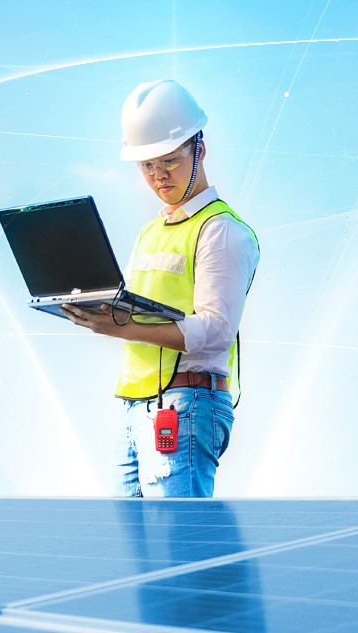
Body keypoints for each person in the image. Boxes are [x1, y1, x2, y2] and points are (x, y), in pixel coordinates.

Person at [62, 79, 259, 498]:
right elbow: (135, 309)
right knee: (137, 551)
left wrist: (120, 329)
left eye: (168, 160)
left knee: (181, 548)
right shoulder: (151, 232)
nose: (158, 176)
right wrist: (94, 308)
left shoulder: (220, 230)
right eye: (147, 165)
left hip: (185, 406)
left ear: (199, 149)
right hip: (136, 407)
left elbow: (215, 330)